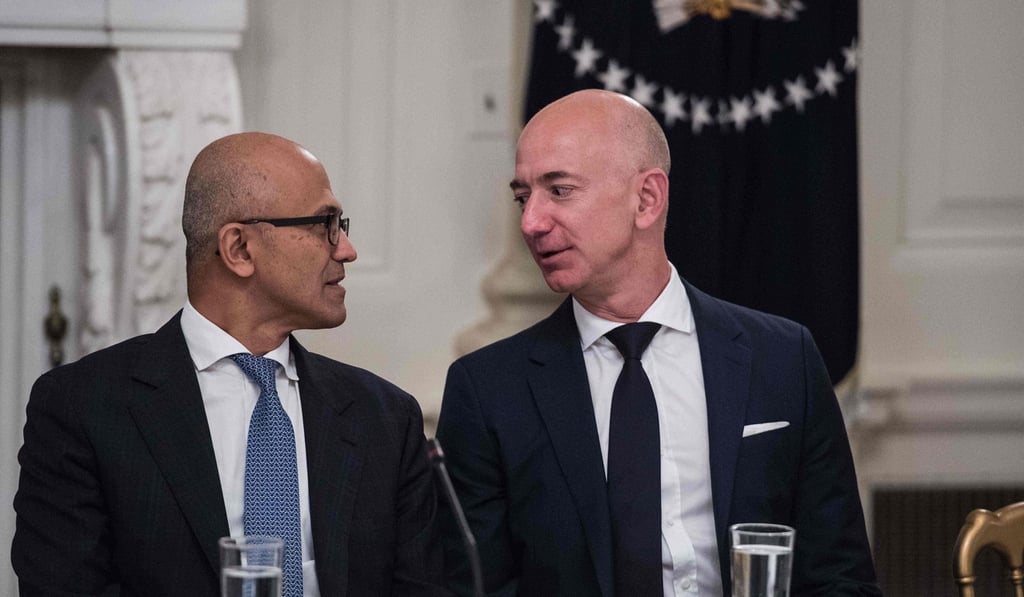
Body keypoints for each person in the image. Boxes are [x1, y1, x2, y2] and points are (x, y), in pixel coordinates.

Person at [436, 90, 881, 596]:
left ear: (646, 199)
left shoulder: (782, 359)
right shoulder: (489, 389)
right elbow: (474, 588)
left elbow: (841, 577)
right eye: (523, 197)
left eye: (558, 191)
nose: (531, 222)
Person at [13, 132, 449, 596]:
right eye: (325, 224)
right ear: (239, 249)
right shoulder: (84, 406)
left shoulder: (385, 418)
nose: (346, 249)